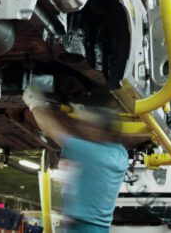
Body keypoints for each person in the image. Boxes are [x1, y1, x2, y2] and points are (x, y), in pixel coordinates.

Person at [22, 87, 128, 233]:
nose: (83, 128)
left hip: (82, 229)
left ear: (100, 131)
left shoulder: (89, 153)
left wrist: (33, 103)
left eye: (88, 126)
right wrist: (87, 115)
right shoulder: (120, 155)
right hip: (98, 228)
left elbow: (50, 129)